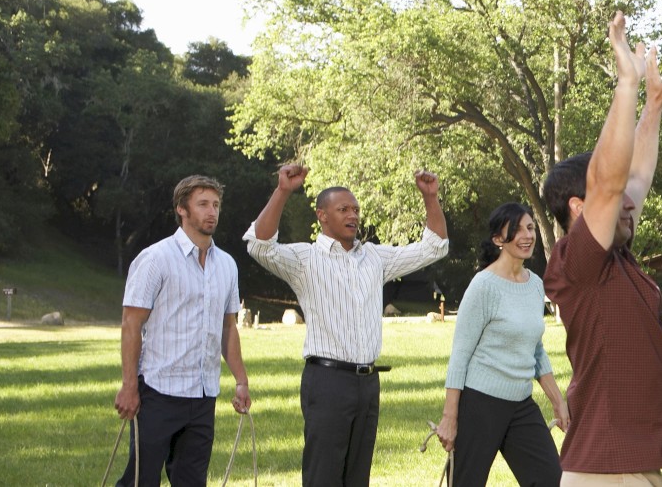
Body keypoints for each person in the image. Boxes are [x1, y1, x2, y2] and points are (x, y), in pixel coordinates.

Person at [541, 11, 662, 486]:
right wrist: (625, 84)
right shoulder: (579, 261)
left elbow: (632, 179)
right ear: (577, 206)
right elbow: (609, 186)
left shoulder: (617, 257)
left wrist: (652, 105)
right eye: (611, 198)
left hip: (631, 463)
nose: (630, 203)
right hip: (604, 471)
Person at [244, 164, 449, 486]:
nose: (353, 215)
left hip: (367, 384)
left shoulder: (374, 258)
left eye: (355, 209)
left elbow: (434, 247)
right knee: (323, 475)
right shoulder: (305, 260)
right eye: (343, 209)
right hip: (327, 382)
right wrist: (283, 190)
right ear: (322, 216)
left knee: (357, 477)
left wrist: (431, 198)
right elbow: (259, 245)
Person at [113, 175, 250, 486]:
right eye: (203, 204)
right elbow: (131, 323)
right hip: (159, 391)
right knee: (141, 479)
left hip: (203, 394)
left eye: (215, 205)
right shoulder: (155, 259)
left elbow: (228, 328)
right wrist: (129, 386)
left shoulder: (227, 265)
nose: (211, 211)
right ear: (182, 209)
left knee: (191, 481)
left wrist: (241, 380)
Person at [434, 202, 569, 486]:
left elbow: (536, 349)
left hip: (521, 404)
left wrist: (558, 402)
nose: (527, 235)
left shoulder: (534, 284)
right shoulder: (483, 286)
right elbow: (460, 354)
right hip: (480, 404)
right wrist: (450, 416)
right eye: (517, 230)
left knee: (551, 480)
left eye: (530, 228)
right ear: (498, 239)